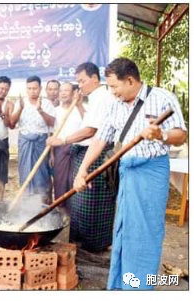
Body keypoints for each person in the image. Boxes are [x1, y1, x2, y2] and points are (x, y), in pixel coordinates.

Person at [73, 58, 186, 290]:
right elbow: (100, 138)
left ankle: (141, 287)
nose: (112, 92)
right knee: (123, 229)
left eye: (114, 86)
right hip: (127, 173)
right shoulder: (114, 104)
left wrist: (161, 135)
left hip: (151, 172)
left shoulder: (162, 98)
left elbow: (180, 135)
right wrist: (82, 170)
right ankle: (121, 283)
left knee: (145, 231)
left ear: (131, 80)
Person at [47, 62, 117, 252]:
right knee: (82, 201)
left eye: (82, 81)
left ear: (94, 78)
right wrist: (78, 105)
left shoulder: (103, 97)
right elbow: (90, 121)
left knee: (91, 201)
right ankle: (82, 242)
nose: (80, 85)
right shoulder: (93, 98)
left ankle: (92, 245)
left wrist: (62, 140)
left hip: (96, 154)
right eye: (78, 81)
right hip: (85, 151)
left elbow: (90, 130)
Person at [10, 75, 55, 198]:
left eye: (34, 88)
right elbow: (12, 123)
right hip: (25, 142)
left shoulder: (46, 103)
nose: (32, 91)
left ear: (40, 88)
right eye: (29, 88)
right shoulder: (20, 102)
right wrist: (20, 108)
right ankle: (26, 200)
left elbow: (52, 124)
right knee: (25, 172)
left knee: (41, 173)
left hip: (41, 143)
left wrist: (40, 110)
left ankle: (41, 202)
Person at [48, 82, 84, 212]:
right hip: (60, 149)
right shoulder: (55, 111)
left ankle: (73, 210)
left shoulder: (80, 108)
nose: (63, 93)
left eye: (66, 90)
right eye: (61, 91)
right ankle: (60, 209)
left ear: (73, 92)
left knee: (73, 179)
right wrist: (52, 153)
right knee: (60, 181)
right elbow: (53, 133)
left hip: (77, 148)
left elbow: (88, 124)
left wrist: (79, 105)